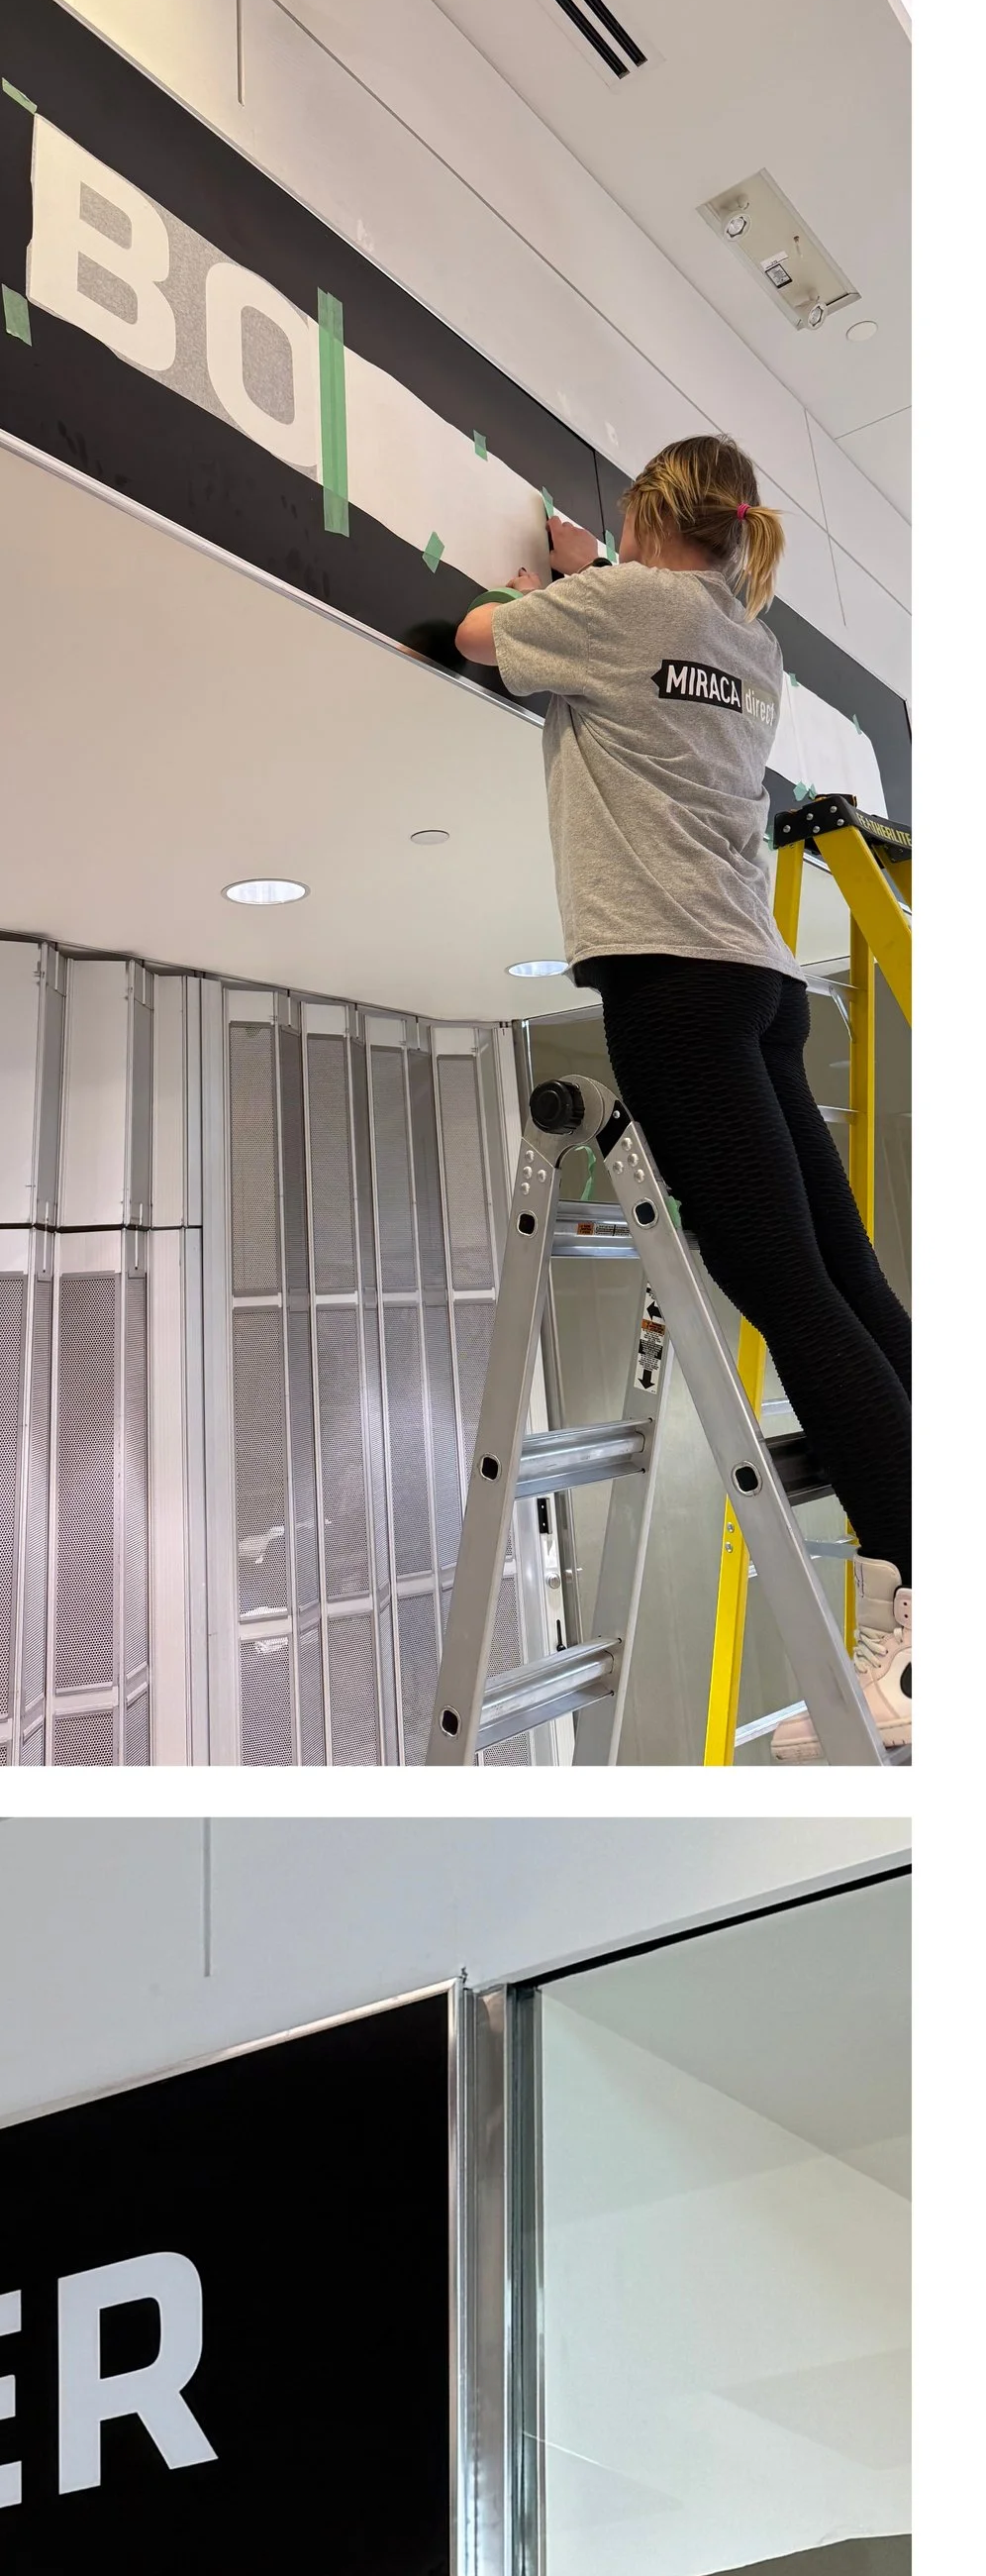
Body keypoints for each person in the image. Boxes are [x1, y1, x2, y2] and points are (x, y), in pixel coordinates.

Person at [453, 434, 911, 1761]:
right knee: (845, 1282)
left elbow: (481, 636)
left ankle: (928, 1617)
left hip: (669, 982)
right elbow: (652, 648)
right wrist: (597, 583)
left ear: (651, 513)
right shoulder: (750, 645)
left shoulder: (622, 607)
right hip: (759, 986)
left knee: (790, 1292)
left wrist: (550, 590)